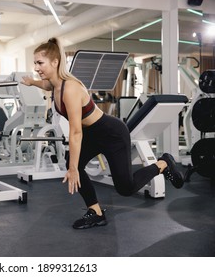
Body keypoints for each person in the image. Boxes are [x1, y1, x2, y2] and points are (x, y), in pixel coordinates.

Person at [21, 38, 184, 230]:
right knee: (72, 163)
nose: (37, 67)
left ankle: (163, 164)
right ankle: (96, 212)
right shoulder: (54, 85)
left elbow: (75, 132)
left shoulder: (70, 89)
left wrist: (73, 168)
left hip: (111, 133)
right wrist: (32, 82)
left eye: (40, 63)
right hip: (94, 132)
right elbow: (46, 86)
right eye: (35, 64)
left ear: (55, 62)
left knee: (125, 188)